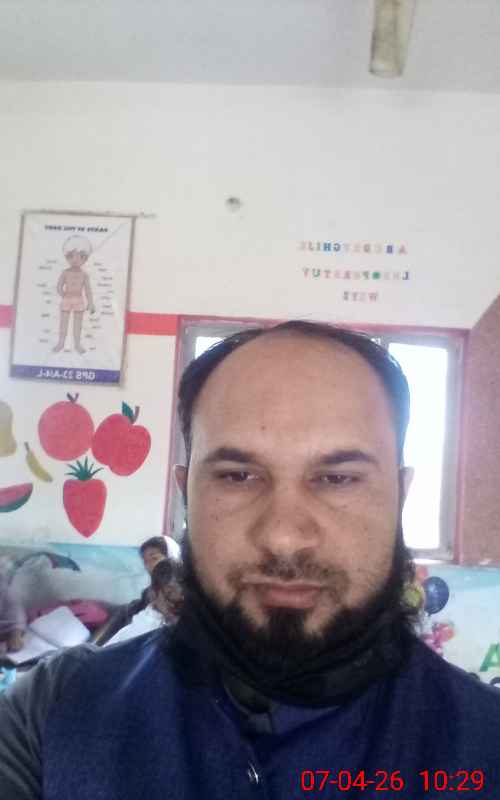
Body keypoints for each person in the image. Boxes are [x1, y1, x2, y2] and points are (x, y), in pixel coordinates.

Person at [1, 319, 500, 800]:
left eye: (338, 478)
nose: (283, 538)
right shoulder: (50, 713)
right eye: (237, 476)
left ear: (400, 495)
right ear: (187, 495)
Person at [105, 559, 183, 646]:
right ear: (153, 595)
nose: (178, 608)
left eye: (184, 600)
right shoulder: (144, 633)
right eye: (170, 598)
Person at [53, 235, 95, 354]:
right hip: (67, 300)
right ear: (66, 257)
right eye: (71, 256)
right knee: (63, 323)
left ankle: (77, 344)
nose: (75, 260)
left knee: (78, 324)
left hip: (79, 301)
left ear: (85, 258)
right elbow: (59, 286)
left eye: (81, 256)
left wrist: (91, 303)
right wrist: (64, 295)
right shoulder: (65, 273)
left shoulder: (84, 275)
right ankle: (61, 343)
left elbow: (88, 290)